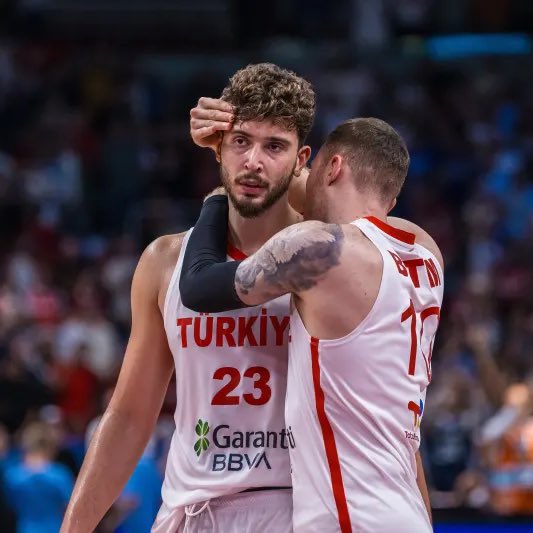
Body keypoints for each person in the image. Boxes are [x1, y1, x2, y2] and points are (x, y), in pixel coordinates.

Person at [60, 62, 315, 533]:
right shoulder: (164, 261)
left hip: (296, 507)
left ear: (302, 160)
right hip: (193, 510)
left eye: (274, 146)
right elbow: (130, 415)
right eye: (241, 142)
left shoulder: (330, 258)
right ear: (216, 147)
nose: (253, 162)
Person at [179, 117, 444, 532]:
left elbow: (197, 286)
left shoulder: (321, 251)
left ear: (333, 167)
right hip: (405, 510)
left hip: (351, 520)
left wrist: (222, 186)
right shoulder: (426, 254)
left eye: (313, 165)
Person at [4, 422, 74, 533]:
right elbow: (69, 508)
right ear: (49, 447)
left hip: (26, 529)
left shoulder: (12, 477)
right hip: (55, 529)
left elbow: (10, 505)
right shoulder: (60, 475)